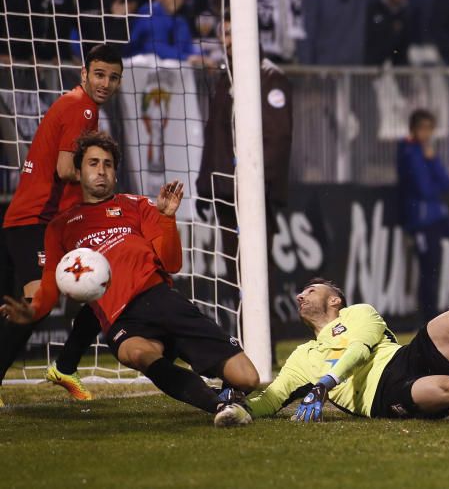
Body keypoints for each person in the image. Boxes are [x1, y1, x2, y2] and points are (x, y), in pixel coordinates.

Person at [1, 131, 260, 427]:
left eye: (108, 164)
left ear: (115, 172)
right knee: (135, 353)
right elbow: (50, 286)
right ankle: (219, 406)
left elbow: (172, 263)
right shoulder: (61, 227)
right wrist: (34, 310)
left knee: (248, 377)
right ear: (79, 170)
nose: (101, 170)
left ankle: (230, 391)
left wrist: (167, 218)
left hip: (162, 301)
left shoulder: (137, 206)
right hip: (120, 319)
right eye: (93, 163)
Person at [247, 279, 449, 421]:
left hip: (405, 357)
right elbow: (270, 400)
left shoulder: (359, 313)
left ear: (335, 300)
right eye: (300, 294)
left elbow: (359, 350)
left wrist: (325, 384)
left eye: (310, 290)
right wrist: (230, 405)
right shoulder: (301, 358)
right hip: (384, 396)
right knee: (447, 388)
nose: (301, 296)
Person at [0, 45, 124, 403]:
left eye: (112, 77)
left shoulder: (79, 106)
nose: (105, 83)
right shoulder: (81, 107)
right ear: (84, 74)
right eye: (99, 74)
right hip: (37, 220)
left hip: (36, 219)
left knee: (101, 286)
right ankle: (66, 365)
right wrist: (100, 186)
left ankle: (66, 366)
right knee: (36, 304)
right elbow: (65, 169)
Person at [196, 18, 293, 284]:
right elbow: (214, 136)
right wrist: (206, 186)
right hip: (226, 190)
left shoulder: (270, 77)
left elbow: (278, 137)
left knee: (258, 268)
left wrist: (261, 184)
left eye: (232, 33)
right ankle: (242, 327)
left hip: (255, 191)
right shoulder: (225, 77)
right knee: (233, 269)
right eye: (223, 34)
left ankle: (267, 326)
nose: (227, 40)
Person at [398, 109, 449, 322]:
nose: (427, 133)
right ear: (414, 129)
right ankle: (428, 318)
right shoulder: (408, 151)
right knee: (430, 269)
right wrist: (428, 163)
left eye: (429, 129)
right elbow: (425, 188)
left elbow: (446, 183)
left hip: (438, 217)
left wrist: (432, 159)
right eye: (423, 129)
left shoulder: (427, 152)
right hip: (421, 222)